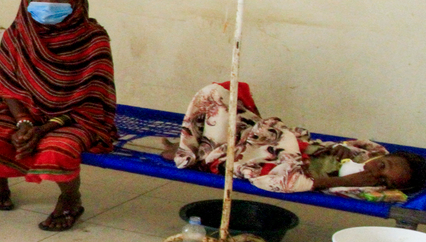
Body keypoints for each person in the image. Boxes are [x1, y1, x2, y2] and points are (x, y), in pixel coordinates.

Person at [0, 0, 117, 231]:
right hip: (21, 110)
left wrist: (43, 129)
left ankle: (71, 198)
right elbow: (8, 87)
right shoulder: (16, 34)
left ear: (76, 2)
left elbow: (93, 98)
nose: (49, 3)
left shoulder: (93, 38)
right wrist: (23, 122)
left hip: (75, 116)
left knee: (57, 150)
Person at [166, 82, 426, 196]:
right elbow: (308, 144)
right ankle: (191, 147)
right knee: (221, 95)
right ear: (386, 156)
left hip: (263, 162)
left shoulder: (358, 188)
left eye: (382, 180)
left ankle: (189, 151)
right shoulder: (367, 155)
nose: (373, 173)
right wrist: (337, 149)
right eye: (382, 165)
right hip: (266, 142)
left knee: (214, 107)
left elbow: (279, 181)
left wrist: (342, 180)